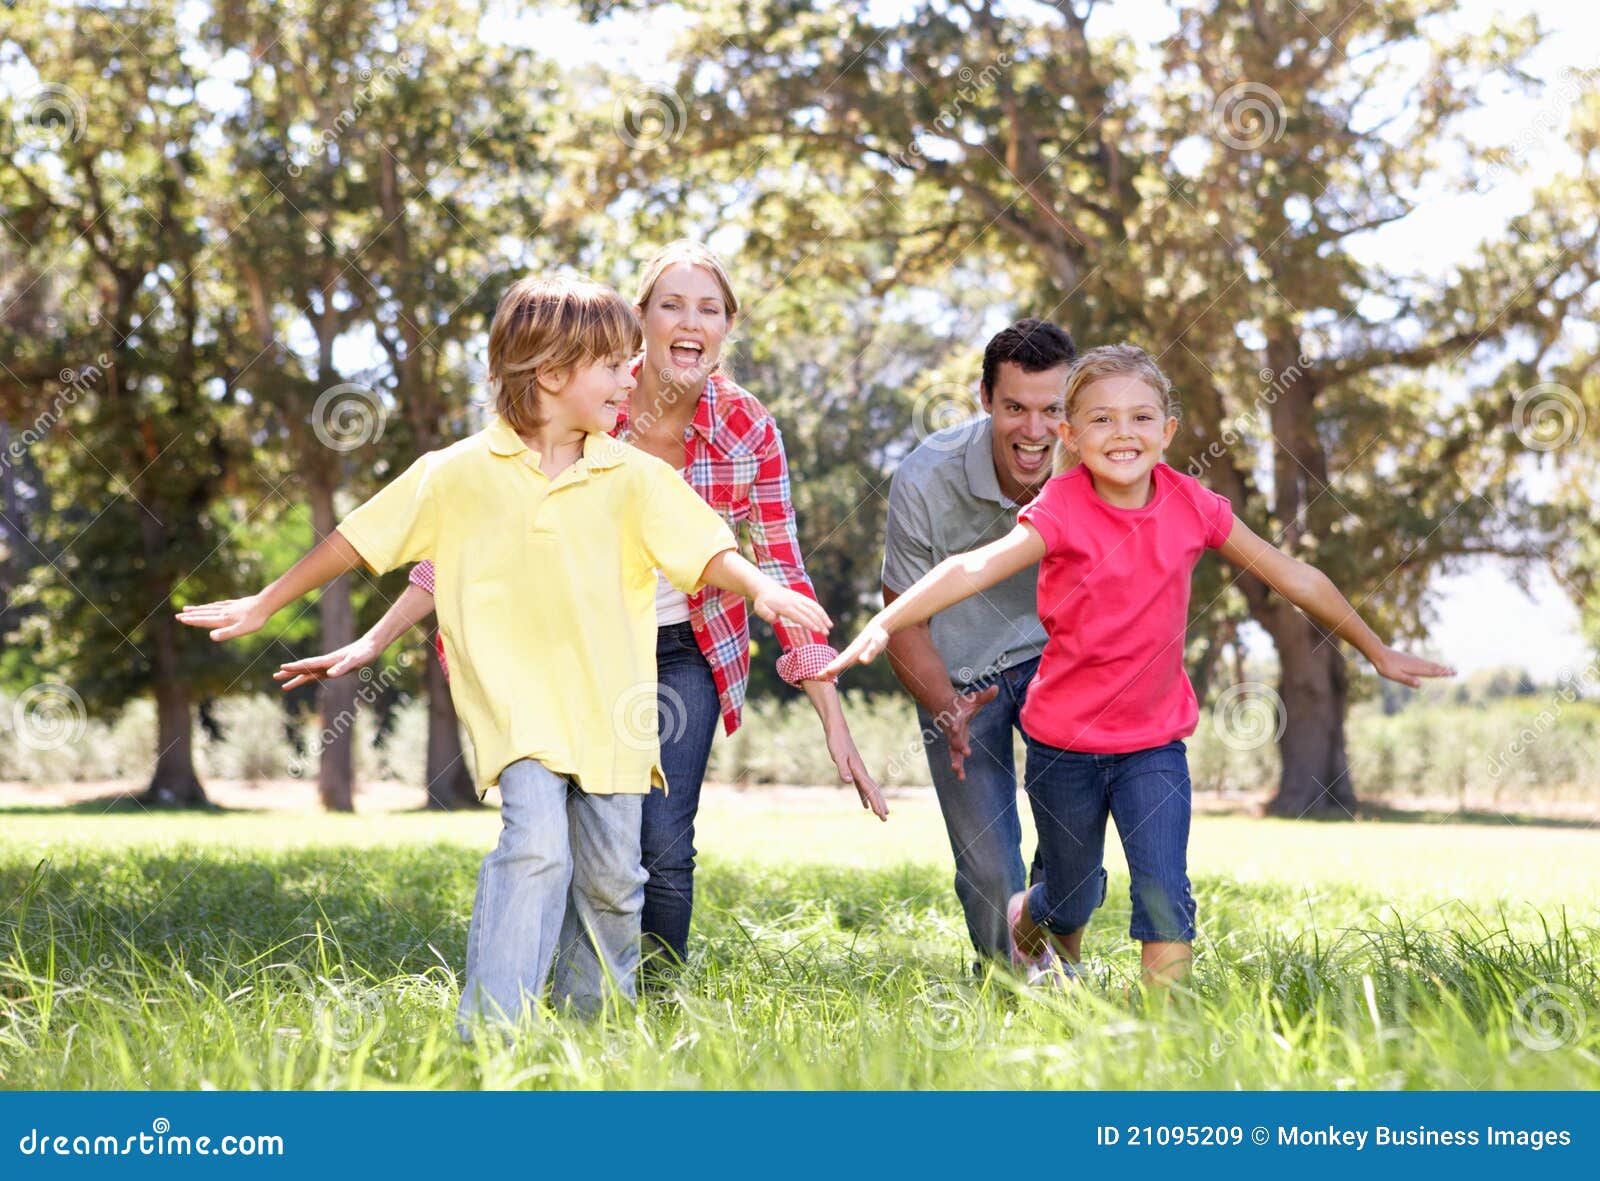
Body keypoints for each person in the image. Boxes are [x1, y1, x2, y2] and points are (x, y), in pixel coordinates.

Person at [177, 276, 832, 1025]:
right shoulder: (456, 473)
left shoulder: (634, 475)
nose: (631, 375)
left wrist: (762, 591)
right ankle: (494, 1031)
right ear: (552, 374)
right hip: (518, 710)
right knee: (537, 848)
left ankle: (591, 1030)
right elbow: (357, 540)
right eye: (614, 364)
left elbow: (706, 546)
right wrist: (266, 601)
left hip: (616, 719)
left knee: (617, 877)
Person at [827, 343, 1455, 985]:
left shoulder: (1193, 505)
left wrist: (1375, 648)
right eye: (1101, 419)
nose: (1122, 433)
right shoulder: (1060, 507)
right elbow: (972, 566)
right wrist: (885, 620)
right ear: (1071, 435)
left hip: (1154, 745)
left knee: (1165, 899)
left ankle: (1165, 1057)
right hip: (1062, 746)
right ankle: (1034, 922)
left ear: (1168, 430)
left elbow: (1293, 574)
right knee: (1070, 899)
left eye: (1140, 417)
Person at [879, 318, 1075, 964]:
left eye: (1052, 409)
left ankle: (1051, 967)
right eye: (1015, 407)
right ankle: (1011, 989)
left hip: (1062, 666)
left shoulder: (1096, 466)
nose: (1034, 429)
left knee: (1072, 847)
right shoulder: (924, 477)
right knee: (990, 870)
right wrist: (945, 702)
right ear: (985, 398)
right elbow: (902, 614)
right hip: (960, 676)